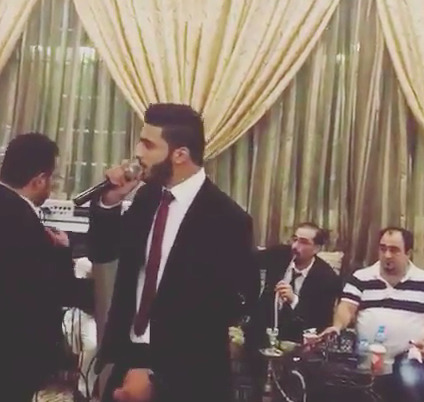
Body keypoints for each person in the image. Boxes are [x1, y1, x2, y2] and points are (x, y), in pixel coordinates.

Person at [88, 103, 259, 402]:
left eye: (148, 144)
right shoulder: (147, 198)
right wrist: (110, 202)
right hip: (129, 355)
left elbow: (236, 302)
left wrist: (157, 375)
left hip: (187, 374)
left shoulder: (228, 219)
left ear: (179, 154)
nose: (138, 152)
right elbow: (102, 252)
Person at [0, 133, 93, 401]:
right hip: (14, 355)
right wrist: (63, 251)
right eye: (54, 178)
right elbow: (55, 290)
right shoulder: (25, 223)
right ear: (40, 179)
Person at [320, 227, 424, 402]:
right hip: (367, 367)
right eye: (383, 249)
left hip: (409, 365)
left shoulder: (422, 281)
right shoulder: (361, 277)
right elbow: (347, 307)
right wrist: (337, 326)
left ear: (408, 253)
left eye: (394, 250)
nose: (387, 255)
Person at [246, 222, 341, 347]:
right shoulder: (278, 255)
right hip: (261, 331)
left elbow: (320, 321)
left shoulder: (327, 278)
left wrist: (294, 301)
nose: (295, 246)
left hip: (297, 339)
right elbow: (249, 260)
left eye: (303, 242)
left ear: (317, 248)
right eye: (295, 239)